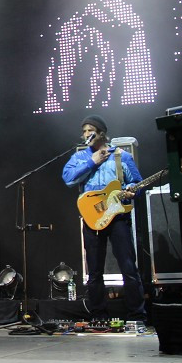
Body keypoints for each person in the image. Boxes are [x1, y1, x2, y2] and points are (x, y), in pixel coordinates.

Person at [61, 115, 147, 321]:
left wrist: (132, 191)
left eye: (90, 130)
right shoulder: (80, 158)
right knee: (94, 270)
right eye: (83, 131)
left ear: (101, 133)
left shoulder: (121, 157)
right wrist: (92, 161)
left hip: (117, 218)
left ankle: (137, 315)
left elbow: (138, 184)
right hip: (93, 219)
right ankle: (99, 315)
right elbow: (68, 179)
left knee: (128, 266)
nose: (86, 134)